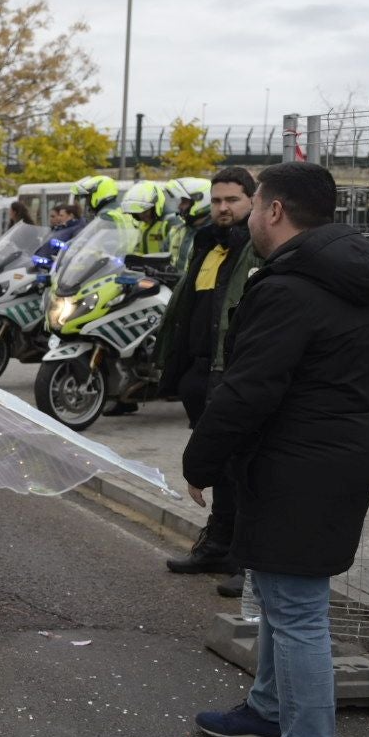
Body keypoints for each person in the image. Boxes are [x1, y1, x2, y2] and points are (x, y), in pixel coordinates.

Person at [189, 162, 369, 737]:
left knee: (299, 612)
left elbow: (249, 388)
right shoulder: (358, 280)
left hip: (298, 464)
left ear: (275, 211)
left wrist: (201, 461)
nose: (249, 216)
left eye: (254, 206)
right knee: (283, 597)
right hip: (336, 457)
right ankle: (268, 709)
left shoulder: (288, 289)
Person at [156, 168, 261, 587]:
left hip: (233, 372)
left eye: (232, 200)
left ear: (252, 200)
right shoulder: (208, 245)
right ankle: (218, 546)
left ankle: (246, 560)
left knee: (242, 468)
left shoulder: (256, 249)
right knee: (218, 465)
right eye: (217, 200)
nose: (223, 208)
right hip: (202, 373)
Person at [164, 177, 213, 270]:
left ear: (200, 201)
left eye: (184, 201)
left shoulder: (216, 236)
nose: (180, 206)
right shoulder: (176, 231)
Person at [120, 181, 172, 255]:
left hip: (162, 262)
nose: (141, 215)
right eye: (138, 212)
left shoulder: (170, 222)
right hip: (145, 262)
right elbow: (138, 249)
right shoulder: (142, 225)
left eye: (145, 211)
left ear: (155, 207)